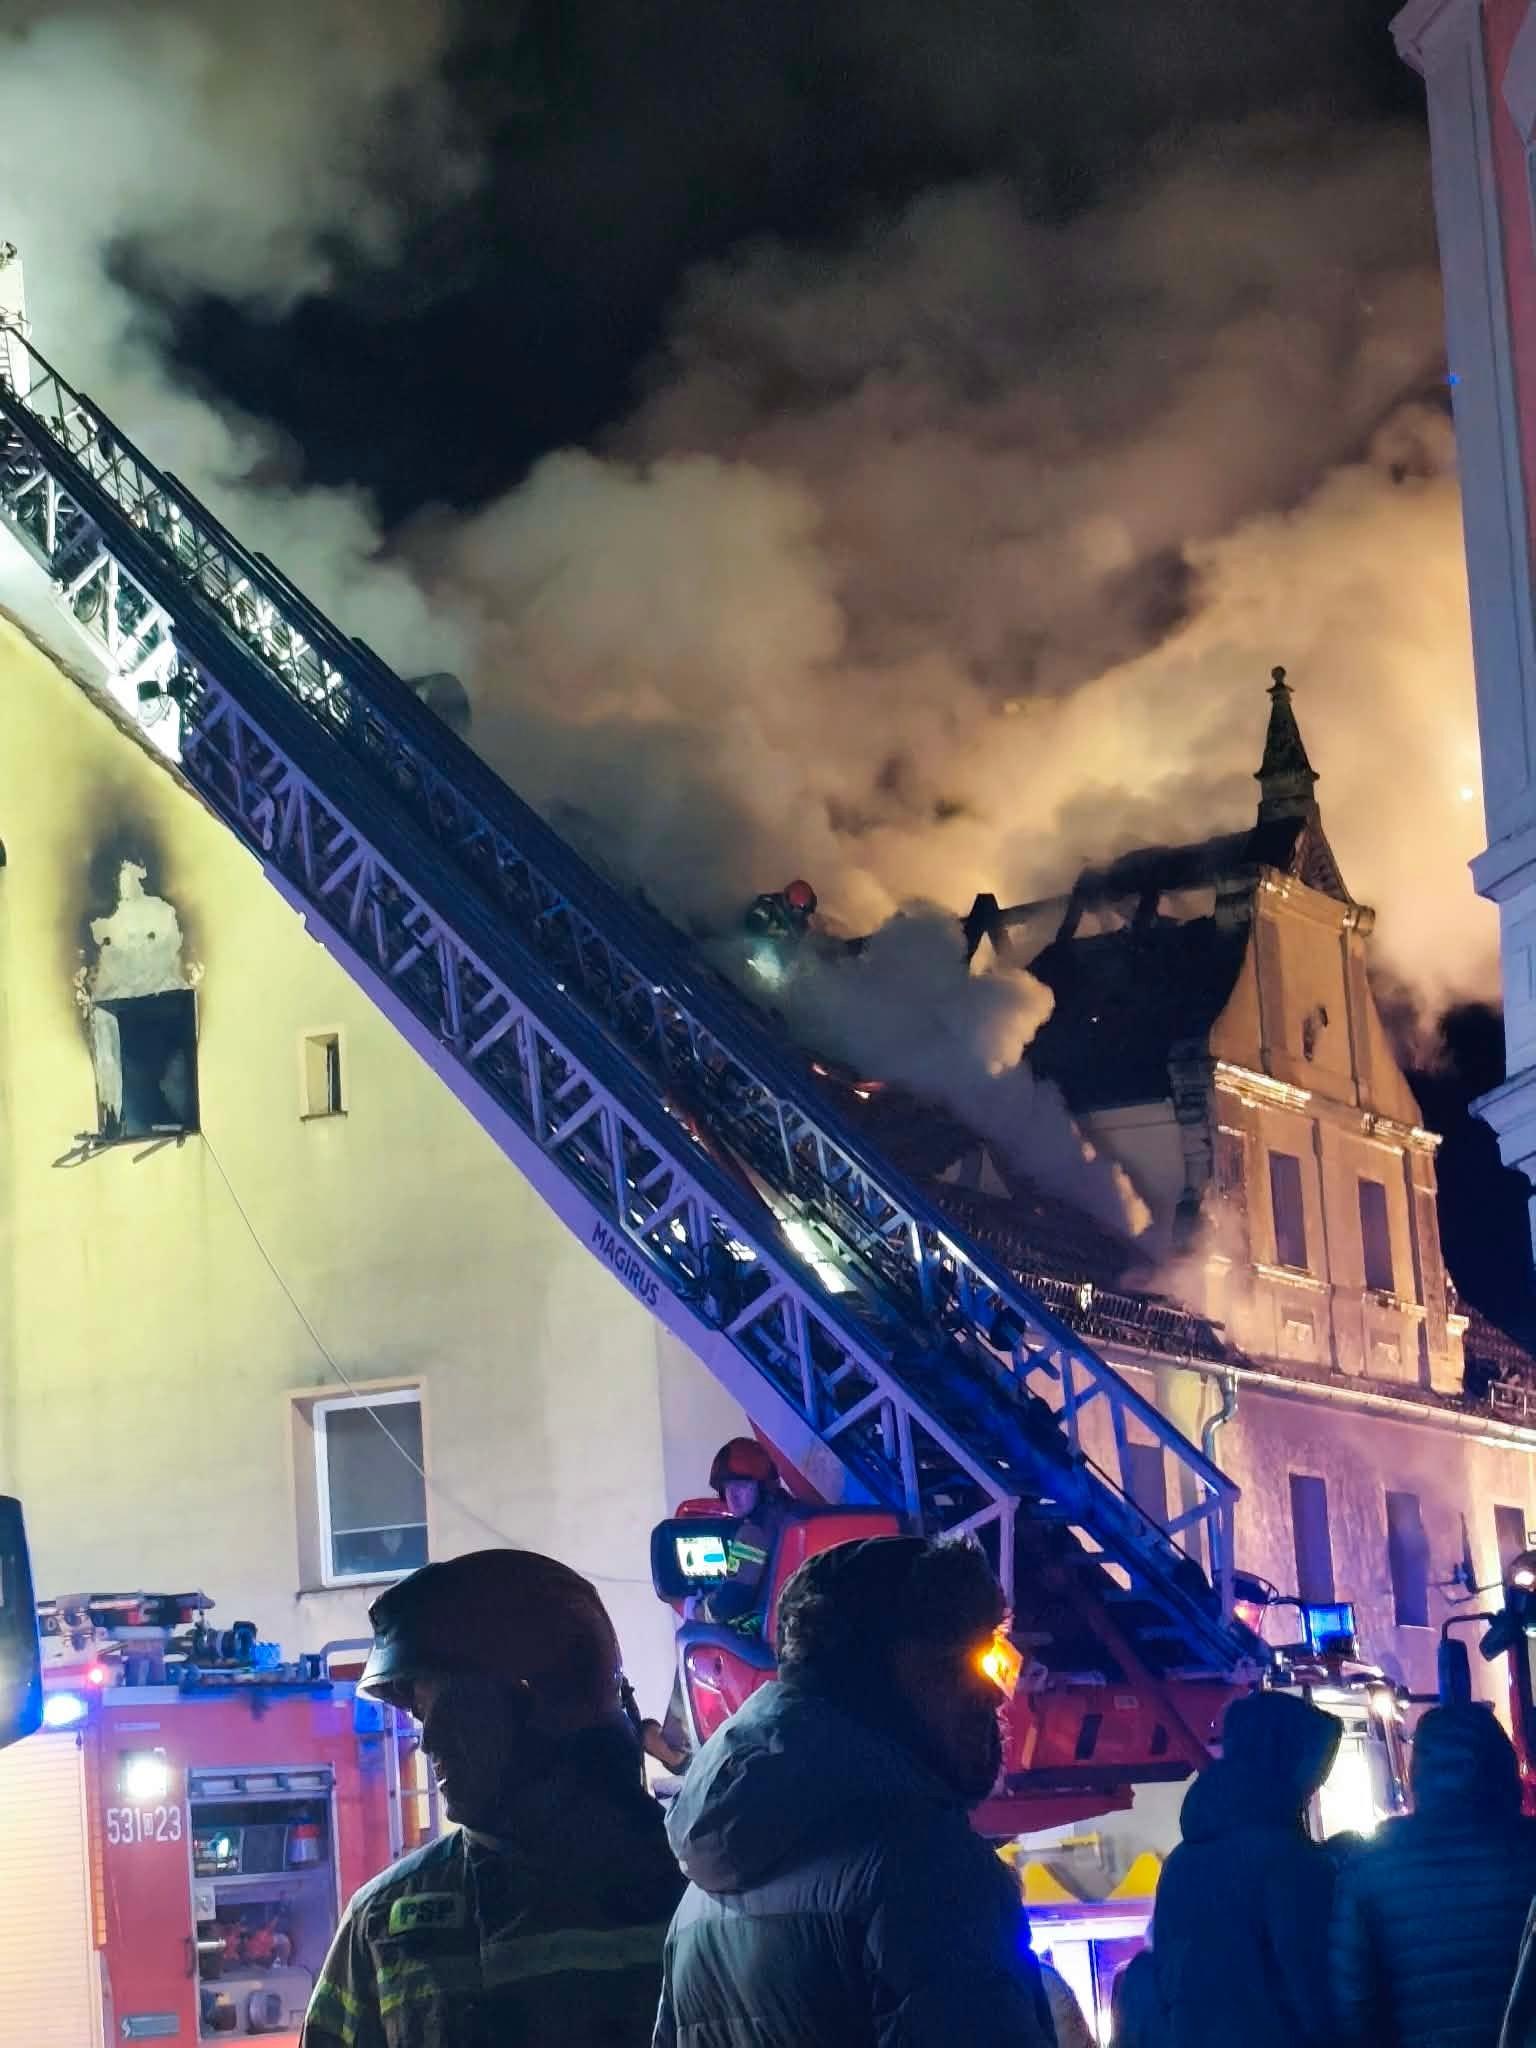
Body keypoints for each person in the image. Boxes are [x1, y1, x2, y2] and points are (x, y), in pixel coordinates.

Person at [653, 1533, 1055, 2047]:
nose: (992, 1693)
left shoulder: (697, 1905)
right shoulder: (926, 1872)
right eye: (962, 1662)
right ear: (886, 1677)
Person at [300, 1548, 683, 2048]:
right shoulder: (380, 1923)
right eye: (421, 1717)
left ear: (535, 1704)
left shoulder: (699, 1886)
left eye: (446, 1712)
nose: (428, 1742)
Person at [1327, 1702, 1536, 2047]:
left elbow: (1352, 2002)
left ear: (1418, 1772)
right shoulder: (1529, 1848)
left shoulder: (1371, 1862)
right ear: (1503, 1765)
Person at [1147, 1688, 1342, 2048]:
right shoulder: (1293, 1862)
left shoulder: (1180, 1865)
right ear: (1285, 1761)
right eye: (1313, 1773)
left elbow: (1167, 1987)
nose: (1314, 1788)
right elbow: (1316, 1991)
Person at [641, 1438, 794, 1772]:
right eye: (728, 1488)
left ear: (762, 1487)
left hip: (760, 1632)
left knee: (692, 1636)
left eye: (742, 1486)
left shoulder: (753, 1532)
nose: (733, 1496)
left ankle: (677, 1746)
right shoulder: (784, 1516)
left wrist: (694, 1608)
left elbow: (731, 1603)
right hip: (783, 1625)